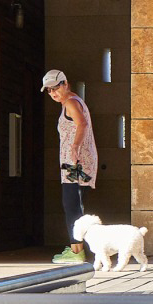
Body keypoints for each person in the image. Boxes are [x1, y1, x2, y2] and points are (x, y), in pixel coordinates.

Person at [43, 68, 100, 264]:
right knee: (76, 203)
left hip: (75, 163)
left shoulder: (70, 102)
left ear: (65, 84)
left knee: (72, 204)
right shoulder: (72, 100)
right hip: (78, 162)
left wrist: (74, 147)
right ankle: (77, 248)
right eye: (49, 91)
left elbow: (82, 124)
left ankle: (77, 252)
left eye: (55, 88)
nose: (53, 93)